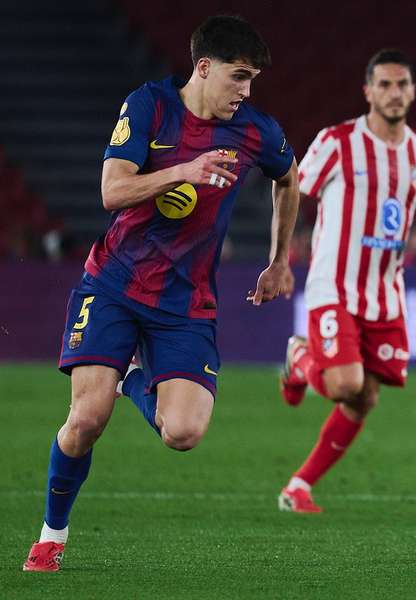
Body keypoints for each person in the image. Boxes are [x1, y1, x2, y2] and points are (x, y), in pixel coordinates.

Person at [22, 15, 299, 572]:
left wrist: (279, 260)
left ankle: (131, 378)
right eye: (238, 77)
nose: (246, 91)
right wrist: (184, 171)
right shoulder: (149, 106)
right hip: (116, 284)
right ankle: (52, 534)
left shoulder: (257, 130)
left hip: (185, 302)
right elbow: (112, 190)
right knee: (86, 419)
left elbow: (288, 178)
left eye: (253, 80)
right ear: (203, 67)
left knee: (185, 432)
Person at [277, 49, 416, 514]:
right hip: (335, 285)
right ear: (368, 91)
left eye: (402, 84)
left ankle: (298, 487)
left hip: (386, 294)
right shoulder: (337, 142)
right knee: (348, 384)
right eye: (384, 85)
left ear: (413, 91)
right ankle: (300, 356)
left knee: (366, 397)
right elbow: (290, 189)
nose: (394, 93)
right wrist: (281, 259)